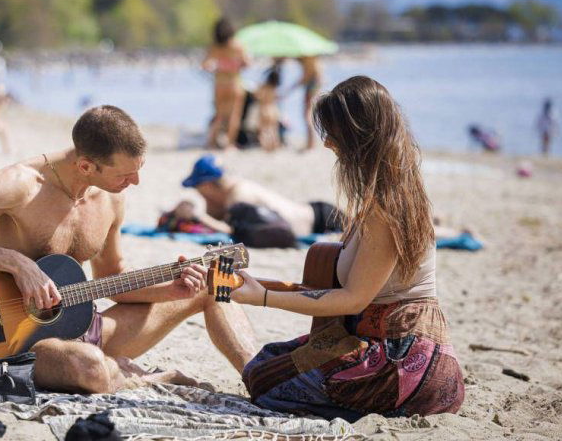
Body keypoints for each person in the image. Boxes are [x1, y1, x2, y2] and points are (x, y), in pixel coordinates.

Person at [0, 106, 257, 393]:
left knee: (217, 283)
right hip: (24, 345)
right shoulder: (20, 186)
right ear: (86, 165)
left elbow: (111, 277)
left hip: (87, 325)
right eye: (125, 175)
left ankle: (262, 378)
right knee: (89, 367)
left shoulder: (111, 200)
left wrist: (171, 290)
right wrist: (16, 263)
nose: (135, 183)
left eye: (139, 170)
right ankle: (148, 379)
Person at [231, 76, 464, 420]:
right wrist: (256, 285)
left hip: (398, 356)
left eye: (333, 133)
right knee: (264, 365)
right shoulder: (389, 192)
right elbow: (339, 292)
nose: (327, 144)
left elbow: (353, 299)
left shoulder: (385, 208)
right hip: (387, 342)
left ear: (358, 138)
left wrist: (263, 298)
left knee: (268, 385)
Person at [182, 154, 344, 241]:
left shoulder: (238, 196)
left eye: (198, 187)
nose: (197, 192)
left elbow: (231, 230)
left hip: (321, 221)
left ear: (208, 185)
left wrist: (198, 216)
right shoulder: (235, 188)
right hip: (314, 211)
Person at [202, 18, 250, 150]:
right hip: (234, 83)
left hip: (219, 84)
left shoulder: (214, 47)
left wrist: (219, 67)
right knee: (234, 115)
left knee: (219, 115)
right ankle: (229, 144)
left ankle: (211, 142)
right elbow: (247, 63)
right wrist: (233, 65)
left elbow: (204, 65)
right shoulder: (237, 45)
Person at [255, 65, 283, 151]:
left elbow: (258, 96)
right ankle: (274, 145)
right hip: (274, 110)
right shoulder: (275, 88)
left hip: (264, 109)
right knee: (273, 129)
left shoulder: (264, 87)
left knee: (263, 129)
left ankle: (266, 147)